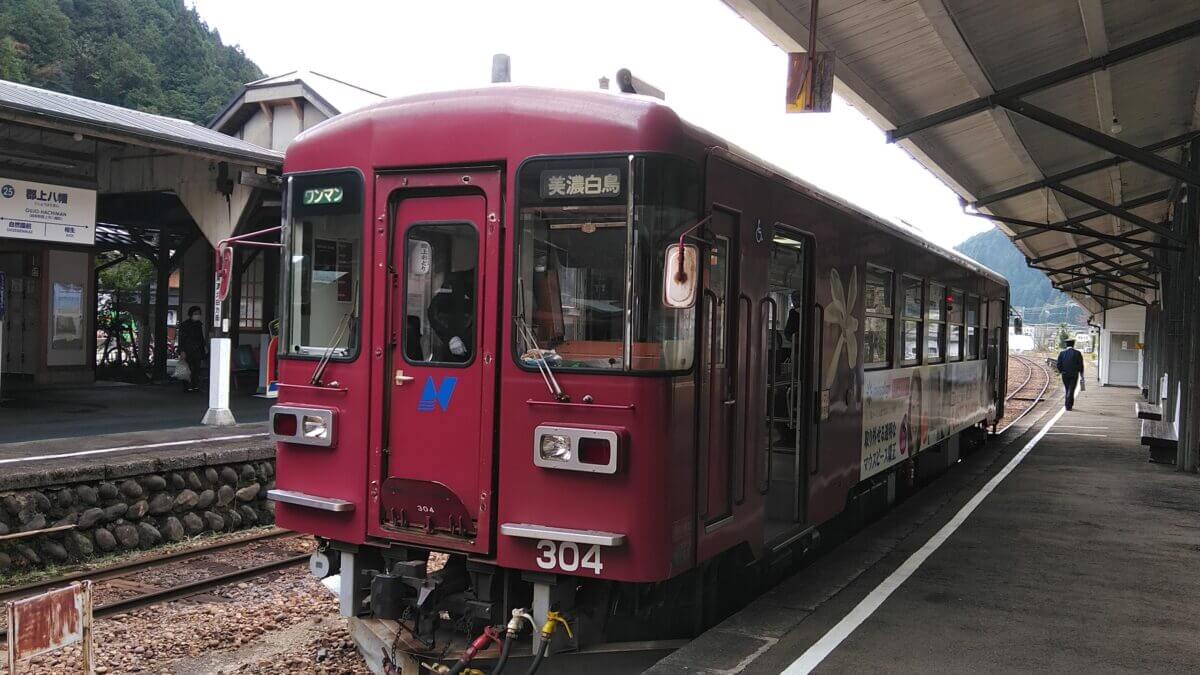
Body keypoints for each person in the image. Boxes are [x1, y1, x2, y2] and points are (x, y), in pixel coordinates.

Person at [178, 306, 206, 392]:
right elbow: (182, 338)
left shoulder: (199, 324)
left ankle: (195, 386)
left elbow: (201, 338)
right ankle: (186, 386)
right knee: (187, 368)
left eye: (199, 313)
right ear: (191, 314)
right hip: (187, 350)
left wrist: (203, 347)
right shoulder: (185, 325)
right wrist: (182, 350)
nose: (197, 315)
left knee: (196, 369)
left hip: (197, 350)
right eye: (195, 313)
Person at [1056, 338, 1085, 411]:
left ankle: (1067, 405)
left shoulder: (1062, 353)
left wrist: (1061, 371)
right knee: (1071, 389)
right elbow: (1081, 365)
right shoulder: (1077, 353)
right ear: (1073, 344)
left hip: (1065, 374)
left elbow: (1058, 364)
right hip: (1074, 374)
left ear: (1066, 345)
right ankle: (1069, 406)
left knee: (1067, 389)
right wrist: (1081, 374)